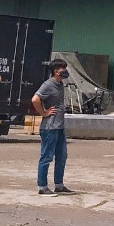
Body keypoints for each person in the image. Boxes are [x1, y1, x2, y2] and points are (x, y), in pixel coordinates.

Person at [32, 59, 72, 196]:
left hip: (59, 127)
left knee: (62, 156)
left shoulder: (60, 84)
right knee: (47, 156)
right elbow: (35, 99)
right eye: (63, 68)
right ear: (56, 71)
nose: (65, 71)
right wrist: (44, 112)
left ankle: (59, 185)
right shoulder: (48, 85)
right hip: (49, 127)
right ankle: (42, 186)